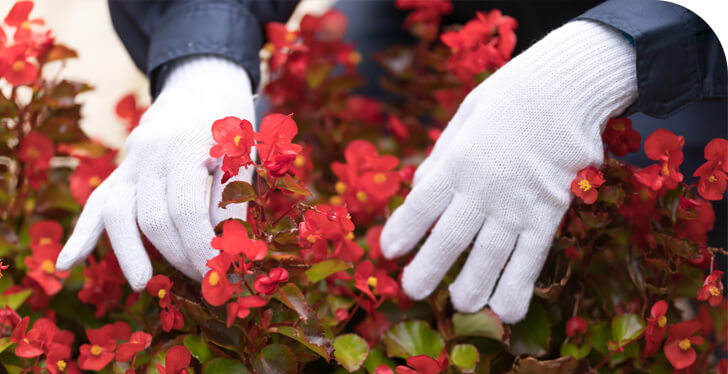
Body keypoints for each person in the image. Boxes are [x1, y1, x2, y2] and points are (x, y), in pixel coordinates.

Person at [56, 0, 726, 324]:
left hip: (689, 53)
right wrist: (202, 53)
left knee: (665, 256)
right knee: (236, 183)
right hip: (429, 14)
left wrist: (617, 49)